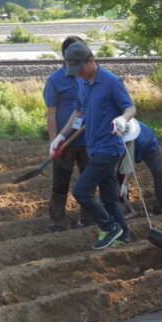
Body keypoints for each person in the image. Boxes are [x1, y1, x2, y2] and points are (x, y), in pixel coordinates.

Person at [52, 42, 136, 249]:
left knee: (81, 191)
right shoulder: (82, 83)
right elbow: (78, 113)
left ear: (90, 60)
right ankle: (123, 236)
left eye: (79, 69)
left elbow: (130, 107)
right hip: (93, 147)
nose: (78, 74)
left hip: (109, 148)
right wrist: (60, 137)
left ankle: (109, 227)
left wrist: (123, 120)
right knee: (109, 197)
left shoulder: (110, 82)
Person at [43, 36, 91, 232]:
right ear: (66, 57)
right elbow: (51, 113)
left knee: (88, 182)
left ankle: (87, 219)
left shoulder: (89, 77)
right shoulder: (55, 80)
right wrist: (55, 141)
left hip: (88, 139)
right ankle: (57, 222)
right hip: (66, 142)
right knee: (60, 184)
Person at [117, 119, 162, 215]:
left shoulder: (139, 139)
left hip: (149, 148)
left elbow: (131, 165)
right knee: (119, 172)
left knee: (157, 172)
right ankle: (124, 203)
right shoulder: (120, 128)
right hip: (132, 147)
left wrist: (125, 184)